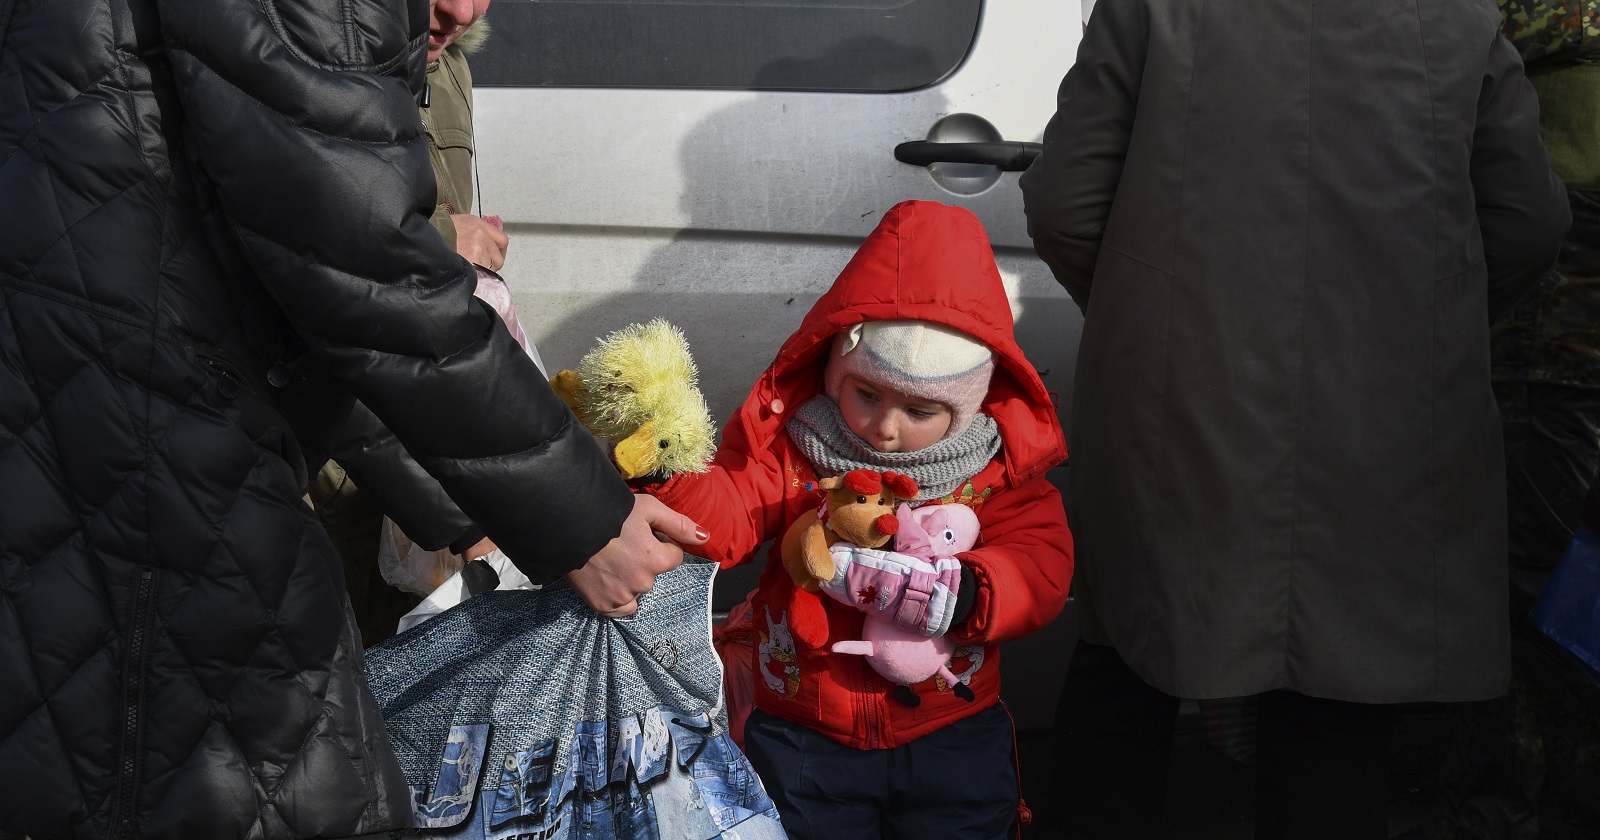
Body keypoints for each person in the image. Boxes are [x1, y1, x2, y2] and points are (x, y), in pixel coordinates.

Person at [0, 0, 701, 837]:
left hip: (106, 446)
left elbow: (306, 295)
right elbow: (370, 274)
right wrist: (586, 518)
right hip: (156, 475)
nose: (466, 9)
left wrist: (489, 524)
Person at [1019, 0, 1571, 837]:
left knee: (1128, 659)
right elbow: (1531, 222)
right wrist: (1420, 333)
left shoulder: (1153, 8)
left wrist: (1163, 322)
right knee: (1338, 703)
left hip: (1181, 402)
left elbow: (1065, 203)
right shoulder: (1457, 20)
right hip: (1382, 421)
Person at [644, 200, 1073, 839]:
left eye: (920, 411)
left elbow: (1041, 562)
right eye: (866, 394)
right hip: (804, 731)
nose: (884, 427)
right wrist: (668, 472)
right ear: (834, 369)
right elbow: (727, 512)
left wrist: (973, 593)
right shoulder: (798, 450)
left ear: (965, 406)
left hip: (952, 731)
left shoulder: (994, 472)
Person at [1428, 2, 1600, 836]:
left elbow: (1454, 28)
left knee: (1526, 581)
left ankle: (1497, 811)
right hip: (1550, 335)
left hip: (1555, 338)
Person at [309, 0, 507, 647]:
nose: (460, 8)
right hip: (317, 473)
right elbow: (325, 256)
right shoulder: (297, 52)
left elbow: (423, 304)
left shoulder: (446, 65)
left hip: (400, 476)